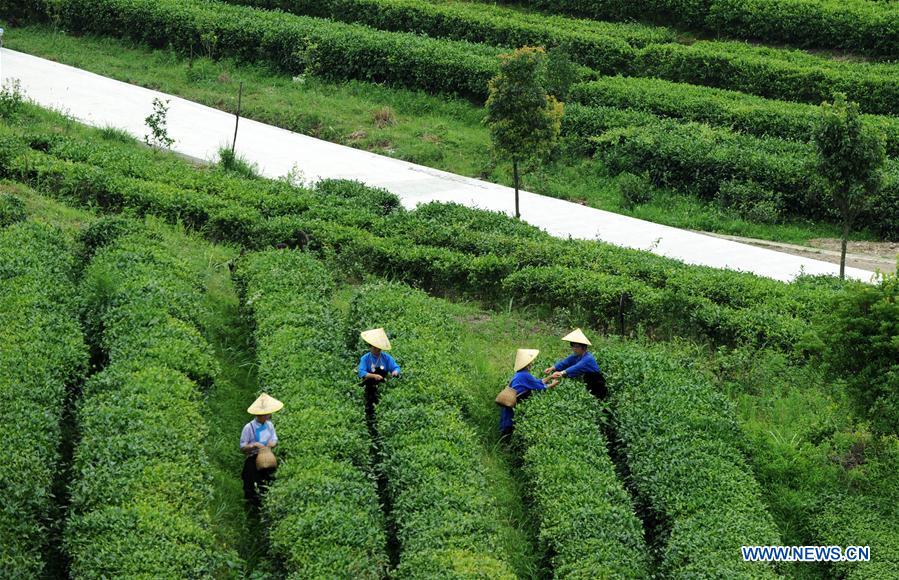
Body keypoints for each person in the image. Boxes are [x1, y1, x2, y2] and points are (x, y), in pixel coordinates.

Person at [498, 348, 557, 438]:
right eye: (531, 362)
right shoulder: (525, 375)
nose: (532, 364)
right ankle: (504, 443)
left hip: (510, 402)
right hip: (513, 402)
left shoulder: (521, 373)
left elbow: (536, 382)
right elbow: (540, 387)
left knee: (505, 422)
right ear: (527, 365)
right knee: (508, 426)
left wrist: (550, 377)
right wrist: (552, 385)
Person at [240, 393, 283, 508]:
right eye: (265, 414)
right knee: (252, 485)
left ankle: (266, 506)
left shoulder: (269, 425)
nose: (268, 416)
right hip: (253, 460)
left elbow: (274, 438)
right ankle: (252, 508)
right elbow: (242, 447)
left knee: (267, 482)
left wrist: (272, 444)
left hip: (267, 457)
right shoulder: (249, 428)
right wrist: (253, 445)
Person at [544, 328, 606, 399]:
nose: (574, 349)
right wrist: (552, 368)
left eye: (577, 347)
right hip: (587, 380)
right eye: (573, 346)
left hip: (596, 382)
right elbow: (565, 362)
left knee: (598, 400)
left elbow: (577, 367)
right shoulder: (576, 355)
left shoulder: (588, 358)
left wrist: (561, 373)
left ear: (584, 347)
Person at [358, 328, 401, 416]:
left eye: (379, 348)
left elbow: (395, 367)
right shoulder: (365, 358)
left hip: (382, 386)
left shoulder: (386, 358)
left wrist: (395, 372)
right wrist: (373, 376)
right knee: (370, 404)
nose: (377, 349)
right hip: (369, 387)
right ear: (370, 346)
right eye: (375, 347)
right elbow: (361, 372)